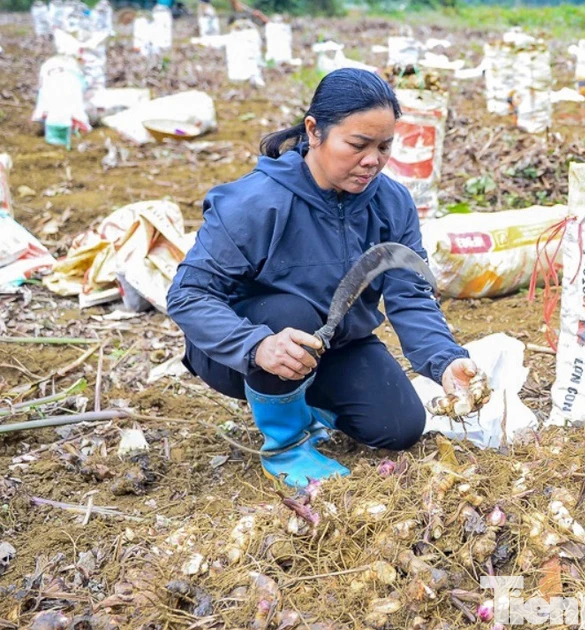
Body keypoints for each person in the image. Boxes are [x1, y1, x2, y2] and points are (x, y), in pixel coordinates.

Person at [166, 69, 478, 488]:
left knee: (399, 426)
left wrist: (445, 360)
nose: (373, 160)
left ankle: (305, 399)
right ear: (314, 131)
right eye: (357, 145)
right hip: (243, 349)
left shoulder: (392, 203)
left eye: (384, 146)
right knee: (290, 311)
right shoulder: (254, 204)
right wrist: (255, 346)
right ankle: (286, 445)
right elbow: (188, 295)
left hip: (332, 344)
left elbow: (410, 294)